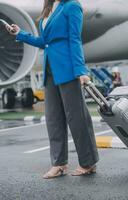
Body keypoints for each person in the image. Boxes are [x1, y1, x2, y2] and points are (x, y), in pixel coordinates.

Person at [6, 0, 99, 178]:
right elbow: (44, 42)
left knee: (77, 118)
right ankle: (59, 163)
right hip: (50, 71)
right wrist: (20, 34)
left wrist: (80, 70)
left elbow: (74, 39)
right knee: (53, 120)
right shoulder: (49, 8)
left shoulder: (72, 6)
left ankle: (88, 163)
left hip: (68, 70)